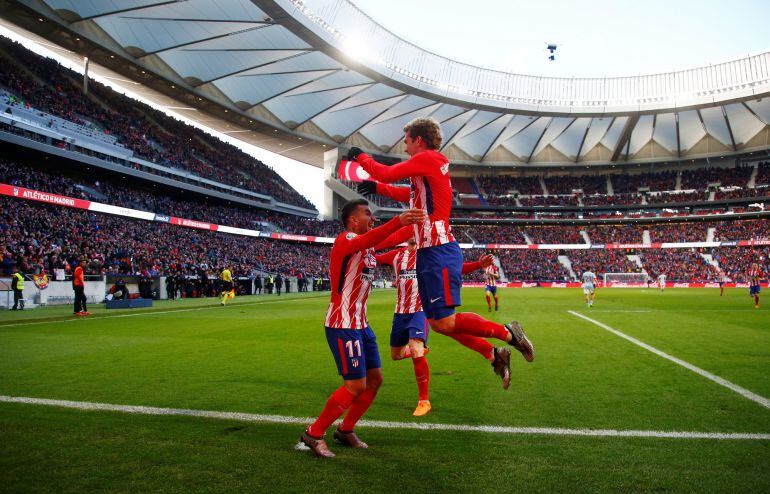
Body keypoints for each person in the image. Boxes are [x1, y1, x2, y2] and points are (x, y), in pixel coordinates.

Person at [350, 118, 534, 383]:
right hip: (429, 253)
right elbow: (408, 194)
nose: (404, 146)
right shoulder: (426, 171)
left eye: (407, 140)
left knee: (446, 322)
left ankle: (508, 333)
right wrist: (378, 189)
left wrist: (360, 156)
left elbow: (387, 173)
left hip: (438, 250)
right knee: (438, 324)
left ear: (419, 140)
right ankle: (494, 354)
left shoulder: (428, 159)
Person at [299, 200, 425, 458]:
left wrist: (422, 221)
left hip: (361, 324)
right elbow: (378, 235)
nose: (373, 218)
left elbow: (393, 236)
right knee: (355, 385)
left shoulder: (368, 246)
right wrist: (398, 221)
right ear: (353, 220)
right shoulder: (345, 239)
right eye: (367, 213)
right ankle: (314, 433)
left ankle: (345, 430)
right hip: (343, 324)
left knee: (375, 380)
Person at [376, 233, 497, 416]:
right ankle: (421, 350)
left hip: (421, 310)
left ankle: (424, 401)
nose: (413, 235)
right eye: (410, 232)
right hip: (400, 313)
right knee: (396, 355)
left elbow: (456, 268)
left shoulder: (429, 254)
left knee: (416, 349)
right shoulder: (396, 255)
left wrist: (478, 265)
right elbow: (373, 259)